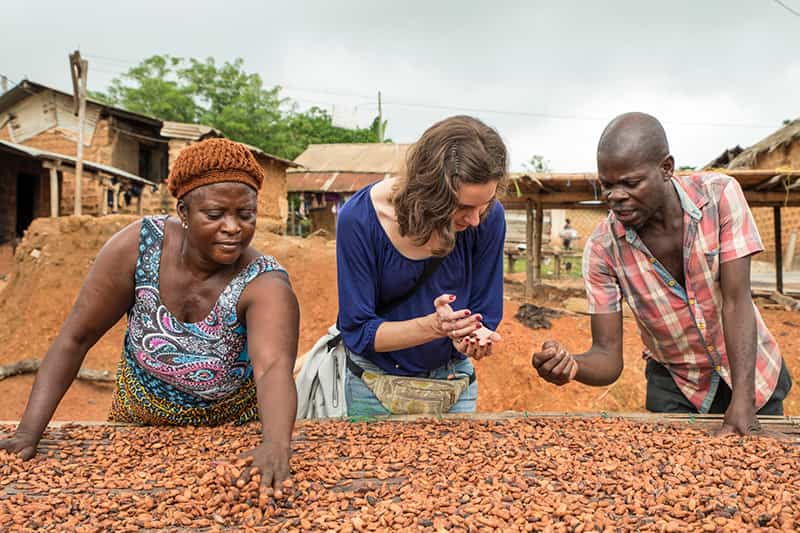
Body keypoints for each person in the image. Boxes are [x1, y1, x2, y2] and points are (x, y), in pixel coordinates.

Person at [0, 138, 300, 494]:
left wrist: (276, 447)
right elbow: (75, 337)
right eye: (216, 214)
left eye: (245, 215)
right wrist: (27, 433)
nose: (233, 227)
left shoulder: (264, 282)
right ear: (184, 213)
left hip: (229, 434)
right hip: (136, 424)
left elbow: (272, 368)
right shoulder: (137, 249)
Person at [532, 112, 792, 436]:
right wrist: (573, 365)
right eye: (607, 185)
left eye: (630, 183)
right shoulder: (602, 250)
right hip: (678, 388)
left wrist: (742, 400)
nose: (616, 196)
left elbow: (737, 301)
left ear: (666, 168)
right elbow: (607, 357)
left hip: (751, 375)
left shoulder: (719, 197)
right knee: (673, 479)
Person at [336, 115, 507, 416]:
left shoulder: (489, 218)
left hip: (453, 382)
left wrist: (471, 337)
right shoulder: (359, 219)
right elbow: (359, 331)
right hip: (374, 384)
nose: (476, 219)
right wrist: (435, 326)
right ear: (430, 192)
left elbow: (486, 312)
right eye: (463, 207)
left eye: (485, 203)